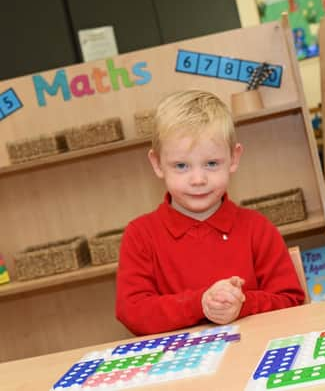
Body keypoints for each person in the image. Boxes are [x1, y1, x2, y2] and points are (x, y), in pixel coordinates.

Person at [116, 90, 305, 335]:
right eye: (181, 166)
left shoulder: (257, 228)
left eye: (212, 164)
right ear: (157, 164)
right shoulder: (140, 235)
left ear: (234, 158)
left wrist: (242, 304)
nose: (198, 179)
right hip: (180, 365)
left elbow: (291, 301)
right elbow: (132, 312)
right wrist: (200, 304)